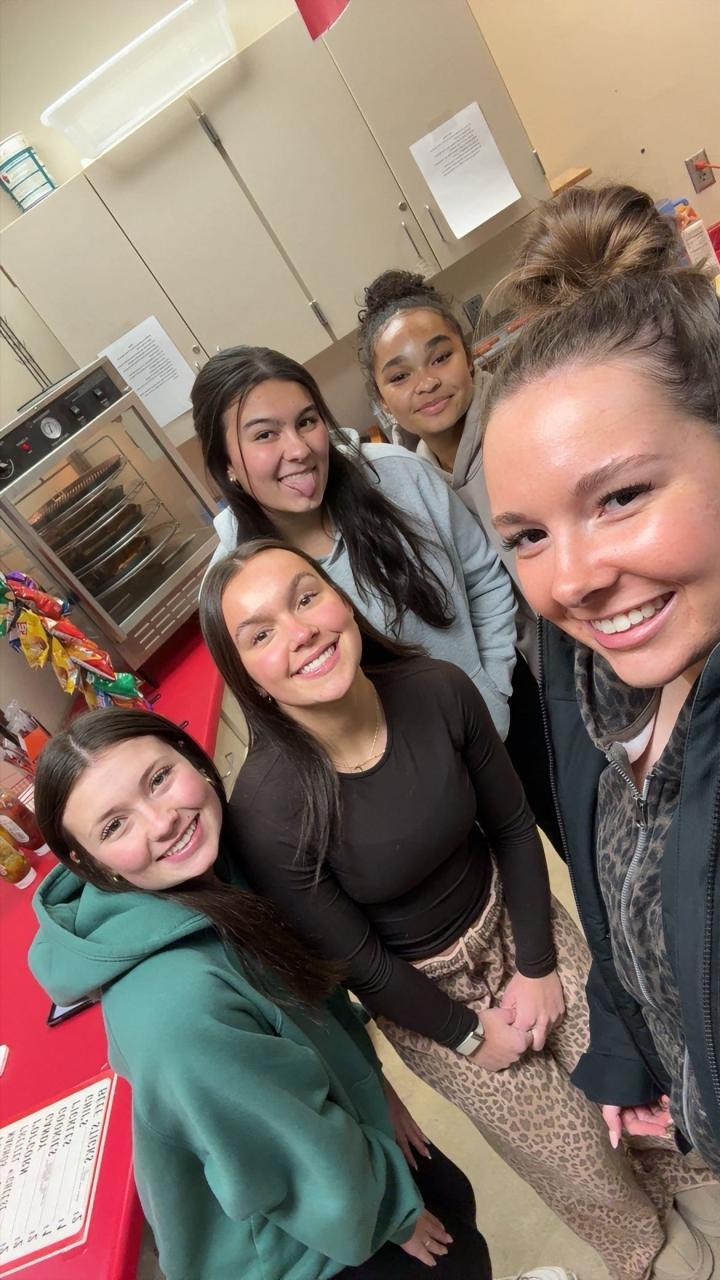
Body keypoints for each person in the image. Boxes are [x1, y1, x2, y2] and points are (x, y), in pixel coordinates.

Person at [200, 537, 707, 1280]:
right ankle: (644, 1253)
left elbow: (512, 827)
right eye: (261, 634)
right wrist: (469, 1037)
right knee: (574, 1155)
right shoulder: (270, 809)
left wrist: (538, 965)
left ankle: (692, 1190)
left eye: (306, 598)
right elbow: (361, 964)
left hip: (514, 919)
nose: (300, 631)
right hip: (423, 993)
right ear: (247, 677)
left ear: (340, 600)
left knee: (630, 1073)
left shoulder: (436, 688)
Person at [29, 708, 508, 1280]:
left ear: (191, 756)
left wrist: (375, 1090)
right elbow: (285, 1159)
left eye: (158, 778)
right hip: (303, 1248)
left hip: (339, 1150)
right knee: (455, 1253)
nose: (162, 822)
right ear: (86, 863)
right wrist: (394, 1215)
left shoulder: (217, 867)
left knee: (450, 1195)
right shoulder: (176, 1008)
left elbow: (312, 1001)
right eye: (114, 826)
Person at [481, 184, 720, 1263]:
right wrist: (636, 1050)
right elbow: (613, 893)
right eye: (527, 535)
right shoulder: (587, 673)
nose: (571, 579)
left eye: (620, 496)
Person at [191, 344, 517, 738]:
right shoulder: (233, 590)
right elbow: (277, 717)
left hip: (500, 723)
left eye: (306, 421)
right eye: (265, 435)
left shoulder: (398, 476)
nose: (299, 449)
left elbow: (483, 577)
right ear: (225, 462)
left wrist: (491, 694)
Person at [355, 268, 559, 844]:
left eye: (439, 357)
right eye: (400, 375)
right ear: (382, 400)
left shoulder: (525, 423)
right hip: (526, 696)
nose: (426, 383)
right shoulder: (412, 485)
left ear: (469, 356)